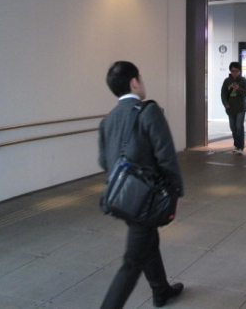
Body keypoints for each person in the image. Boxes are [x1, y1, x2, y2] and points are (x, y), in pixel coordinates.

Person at [98, 61, 184, 309]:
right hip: (146, 198)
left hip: (123, 198)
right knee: (132, 262)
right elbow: (166, 156)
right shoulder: (149, 111)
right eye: (141, 79)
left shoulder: (108, 119)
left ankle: (161, 290)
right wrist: (176, 192)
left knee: (147, 240)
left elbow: (104, 161)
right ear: (134, 82)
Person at [220, 61, 246, 154]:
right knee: (233, 127)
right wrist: (225, 103)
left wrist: (238, 89)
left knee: (239, 127)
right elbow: (223, 94)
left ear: (239, 71)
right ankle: (236, 145)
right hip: (230, 108)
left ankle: (240, 147)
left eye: (236, 71)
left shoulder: (243, 81)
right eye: (233, 71)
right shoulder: (227, 81)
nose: (235, 73)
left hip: (241, 108)